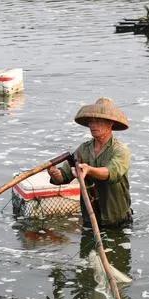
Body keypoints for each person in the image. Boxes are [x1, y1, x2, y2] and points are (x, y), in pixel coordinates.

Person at [47, 97, 132, 229]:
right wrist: (54, 173)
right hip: (90, 220)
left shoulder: (120, 150)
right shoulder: (83, 149)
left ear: (110, 124)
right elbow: (63, 177)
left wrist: (89, 170)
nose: (93, 125)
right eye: (91, 121)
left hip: (116, 221)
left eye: (98, 121)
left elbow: (111, 173)